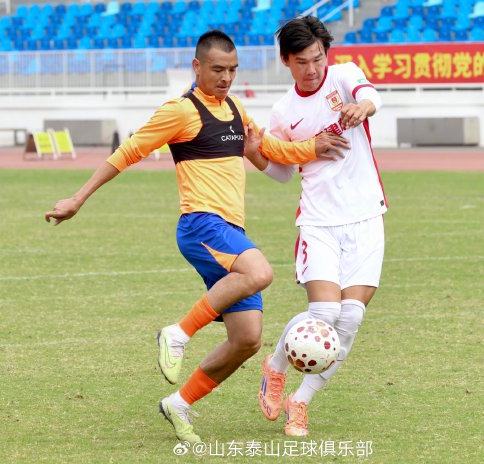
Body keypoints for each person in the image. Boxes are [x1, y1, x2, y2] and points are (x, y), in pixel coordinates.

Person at [44, 30, 349, 443]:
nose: (226, 78)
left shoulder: (235, 109)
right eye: (218, 69)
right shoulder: (180, 111)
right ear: (197, 67)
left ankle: (179, 403)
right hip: (201, 223)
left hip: (230, 232)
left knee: (247, 339)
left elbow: (270, 149)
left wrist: (313, 147)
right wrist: (78, 198)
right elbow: (128, 152)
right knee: (260, 272)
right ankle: (178, 333)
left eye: (233, 70)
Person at [245, 17, 385, 436]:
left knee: (351, 318)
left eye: (318, 58)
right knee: (325, 312)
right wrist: (254, 154)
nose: (312, 69)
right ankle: (275, 366)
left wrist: (362, 107)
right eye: (302, 61)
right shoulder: (283, 111)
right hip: (319, 221)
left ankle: (300, 401)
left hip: (366, 216)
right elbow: (284, 172)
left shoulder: (343, 77)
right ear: (286, 61)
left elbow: (371, 95)